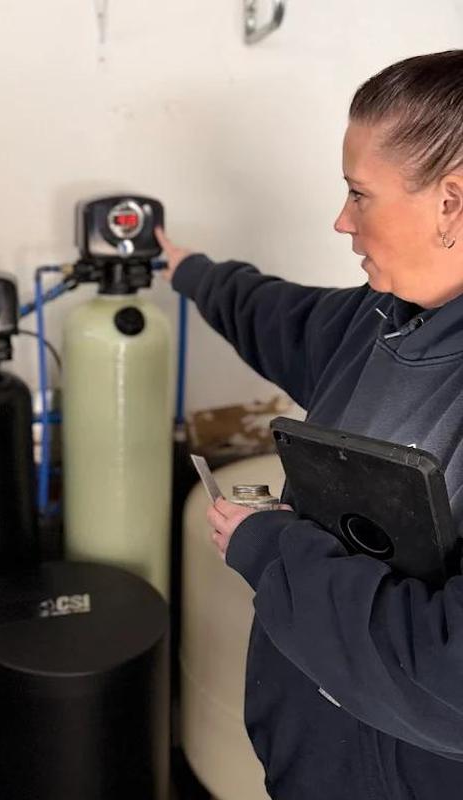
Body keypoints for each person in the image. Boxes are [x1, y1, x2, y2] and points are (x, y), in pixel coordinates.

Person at [157, 50, 463, 800]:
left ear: (452, 201)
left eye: (360, 194)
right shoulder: (382, 318)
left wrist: (271, 550)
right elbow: (273, 314)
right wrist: (187, 269)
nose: (341, 219)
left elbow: (449, 678)